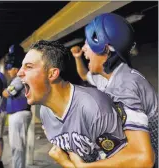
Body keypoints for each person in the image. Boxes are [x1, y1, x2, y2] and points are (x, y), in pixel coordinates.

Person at [17, 40, 128, 167]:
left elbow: (126, 163)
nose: (19, 72)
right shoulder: (45, 111)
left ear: (52, 74)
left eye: (29, 66)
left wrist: (65, 162)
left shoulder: (94, 107)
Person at [70, 13, 157, 167]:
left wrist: (85, 167)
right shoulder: (109, 77)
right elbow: (84, 75)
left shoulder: (124, 87)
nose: (83, 49)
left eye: (87, 43)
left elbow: (143, 158)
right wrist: (77, 57)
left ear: (104, 48)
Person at [3, 44, 32, 168]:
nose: (9, 72)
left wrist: (3, 91)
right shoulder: (20, 77)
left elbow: (8, 92)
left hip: (20, 114)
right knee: (18, 147)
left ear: (15, 68)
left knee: (17, 147)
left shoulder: (20, 77)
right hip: (19, 114)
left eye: (10, 69)